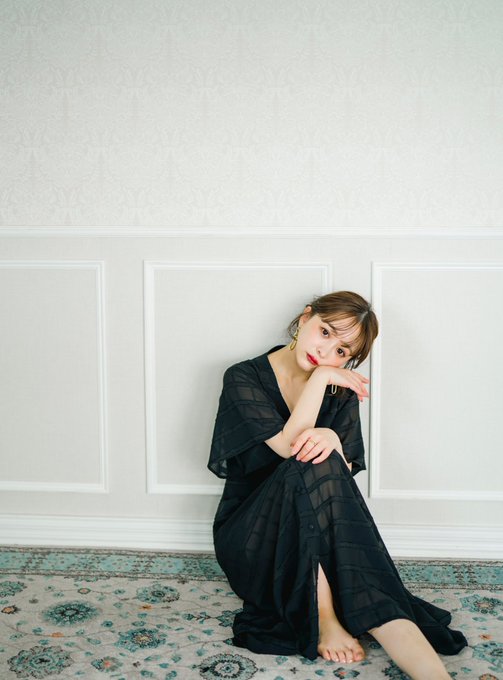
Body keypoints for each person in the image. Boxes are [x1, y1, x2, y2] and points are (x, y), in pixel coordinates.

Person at [207, 291, 467, 679]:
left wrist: (331, 436)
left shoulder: (340, 389)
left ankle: (430, 670)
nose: (326, 351)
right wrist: (323, 378)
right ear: (305, 318)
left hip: (318, 529)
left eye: (342, 351)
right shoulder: (243, 376)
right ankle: (325, 616)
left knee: (326, 468)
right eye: (326, 332)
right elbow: (288, 447)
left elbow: (337, 482)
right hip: (253, 536)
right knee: (309, 456)